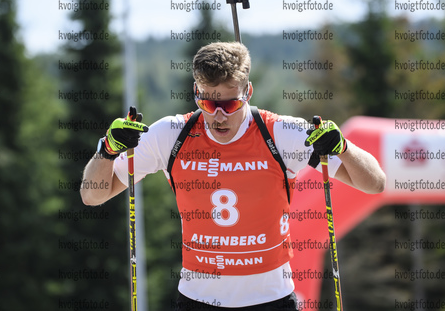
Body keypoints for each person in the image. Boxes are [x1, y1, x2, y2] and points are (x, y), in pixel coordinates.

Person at [80, 42, 386, 310]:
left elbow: (374, 183)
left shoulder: (280, 133)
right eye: (207, 102)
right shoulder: (171, 134)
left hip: (271, 301)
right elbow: (92, 194)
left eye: (229, 103)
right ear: (196, 92)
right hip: (197, 301)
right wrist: (107, 150)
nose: (218, 115)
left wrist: (344, 147)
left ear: (248, 93)